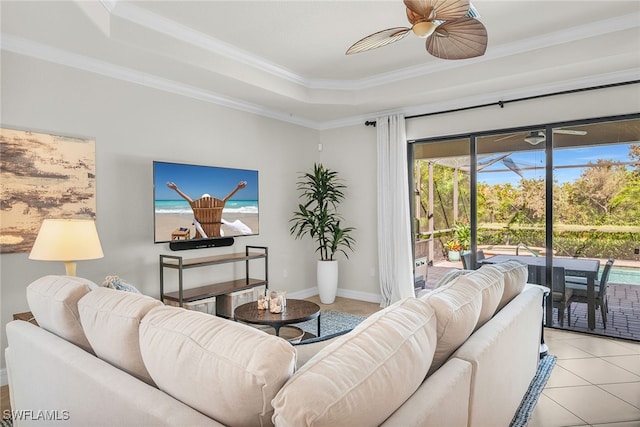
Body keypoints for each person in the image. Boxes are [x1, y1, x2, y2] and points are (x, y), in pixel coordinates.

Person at [166, 181, 247, 238]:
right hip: (216, 235)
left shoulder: (195, 206)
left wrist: (176, 189)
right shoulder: (218, 206)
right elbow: (227, 197)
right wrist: (237, 188)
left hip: (199, 237)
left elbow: (187, 198)